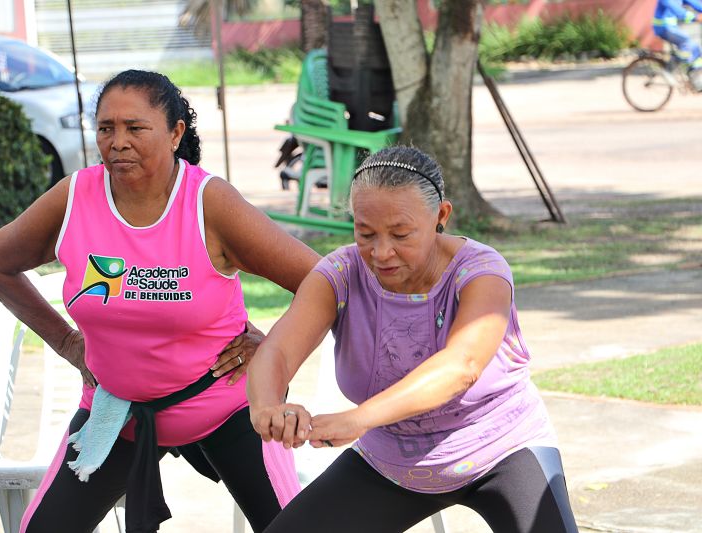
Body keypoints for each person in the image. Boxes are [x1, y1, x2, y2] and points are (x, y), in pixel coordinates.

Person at [0, 69, 319, 533]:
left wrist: (274, 348)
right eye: (106, 128)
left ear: (175, 132)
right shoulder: (74, 197)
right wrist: (67, 343)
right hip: (117, 412)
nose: (118, 142)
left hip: (226, 408)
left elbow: (324, 281)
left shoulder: (208, 203)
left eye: (135, 128)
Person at [247, 146, 579, 533]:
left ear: (441, 216)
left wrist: (358, 419)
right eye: (365, 233)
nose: (381, 252)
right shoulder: (339, 273)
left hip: (503, 447)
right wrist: (267, 406)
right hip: (391, 463)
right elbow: (278, 350)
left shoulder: (482, 271)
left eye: (400, 234)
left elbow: (461, 367)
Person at [653, 0, 702, 91]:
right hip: (663, 27)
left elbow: (695, 3)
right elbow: (677, 11)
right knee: (688, 44)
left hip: (672, 27)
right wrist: (695, 17)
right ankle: (668, 69)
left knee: (696, 49)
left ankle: (694, 77)